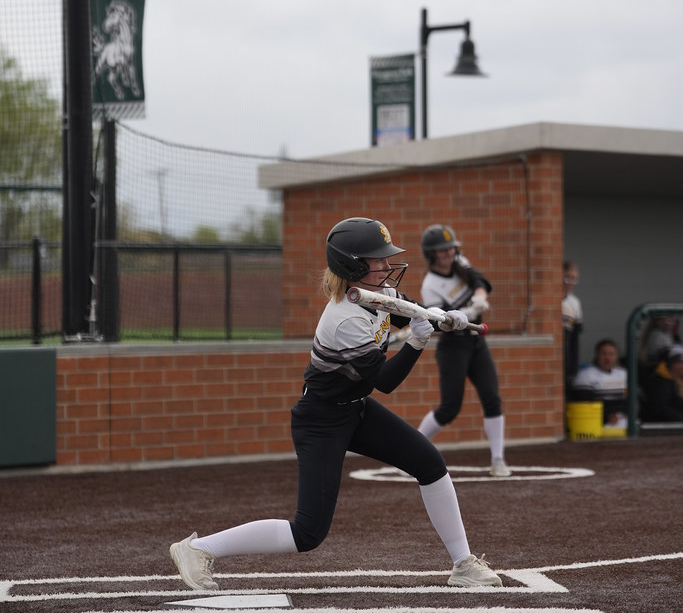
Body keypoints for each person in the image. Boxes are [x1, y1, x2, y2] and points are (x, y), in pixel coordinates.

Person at [170, 217, 503, 591]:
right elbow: (386, 382)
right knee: (308, 532)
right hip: (321, 420)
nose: (386, 265)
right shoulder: (344, 320)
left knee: (430, 463)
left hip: (355, 408)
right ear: (353, 265)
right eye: (377, 260)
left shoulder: (376, 294)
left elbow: (410, 311)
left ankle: (463, 564)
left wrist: (444, 319)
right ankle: (197, 549)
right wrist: (417, 342)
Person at [416, 224, 511, 478]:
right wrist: (466, 313)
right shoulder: (431, 285)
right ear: (431, 254)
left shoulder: (460, 262)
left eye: (450, 247)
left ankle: (498, 459)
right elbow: (441, 323)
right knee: (450, 407)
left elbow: (479, 280)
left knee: (492, 398)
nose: (448, 253)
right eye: (441, 250)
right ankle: (413, 446)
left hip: (476, 341)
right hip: (453, 345)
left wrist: (479, 295)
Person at [571, 339, 628, 427]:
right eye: (604, 354)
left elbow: (632, 402)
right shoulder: (585, 376)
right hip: (596, 424)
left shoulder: (624, 374)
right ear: (597, 355)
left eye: (611, 354)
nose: (607, 358)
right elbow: (584, 406)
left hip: (624, 421)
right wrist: (606, 417)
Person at [640, 344, 683, 423]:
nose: (681, 366)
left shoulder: (679, 380)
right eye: (677, 362)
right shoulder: (662, 381)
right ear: (670, 364)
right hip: (662, 428)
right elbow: (661, 409)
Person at [562, 261, 583, 392]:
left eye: (574, 279)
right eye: (567, 277)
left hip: (566, 350)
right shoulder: (547, 298)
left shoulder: (574, 303)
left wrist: (573, 368)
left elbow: (575, 336)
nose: (570, 282)